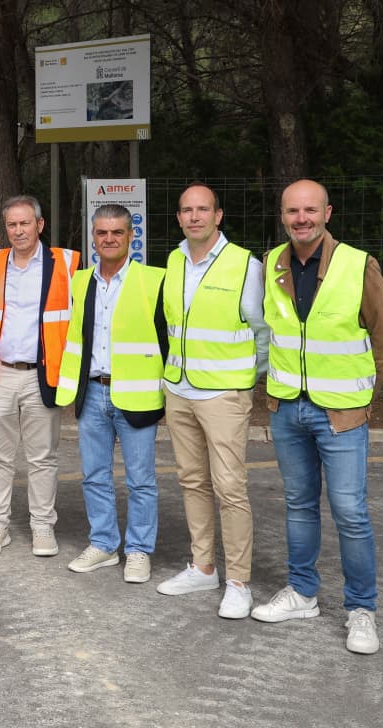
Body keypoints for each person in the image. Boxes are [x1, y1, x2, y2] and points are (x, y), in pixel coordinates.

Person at [250, 179, 383, 656]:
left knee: (351, 513)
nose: (301, 219)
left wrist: (362, 395)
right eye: (292, 211)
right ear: (282, 214)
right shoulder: (272, 262)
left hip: (341, 413)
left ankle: (361, 610)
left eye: (310, 210)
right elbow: (270, 330)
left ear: (328, 213)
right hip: (287, 407)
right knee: (298, 505)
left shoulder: (359, 264)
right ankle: (302, 593)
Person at [154, 184, 270, 619]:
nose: (195, 216)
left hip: (223, 393)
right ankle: (203, 566)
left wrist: (243, 381)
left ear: (218, 216)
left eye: (203, 209)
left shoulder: (246, 265)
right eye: (187, 210)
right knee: (192, 482)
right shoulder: (175, 259)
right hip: (179, 390)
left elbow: (264, 333)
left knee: (230, 488)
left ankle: (238, 581)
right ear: (179, 217)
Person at [56, 204, 168, 584]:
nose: (109, 239)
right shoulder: (80, 281)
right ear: (93, 237)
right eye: (102, 233)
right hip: (91, 393)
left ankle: (138, 551)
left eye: (117, 233)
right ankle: (104, 544)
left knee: (141, 480)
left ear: (130, 236)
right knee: (94, 476)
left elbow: (166, 341)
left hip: (136, 395)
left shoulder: (154, 280)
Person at [0, 195, 81, 557]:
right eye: (11, 225)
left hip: (42, 375)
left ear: (40, 224)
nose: (18, 231)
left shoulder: (65, 264)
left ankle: (41, 527)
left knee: (42, 457)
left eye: (24, 223)